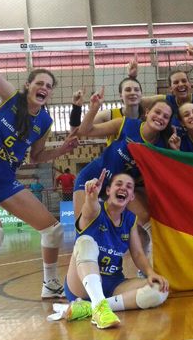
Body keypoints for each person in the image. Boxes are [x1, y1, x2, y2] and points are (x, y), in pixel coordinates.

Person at [0, 0, 80, 321]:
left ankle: (50, 284)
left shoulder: (46, 122)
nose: (44, 88)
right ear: (27, 86)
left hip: (5, 179)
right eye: (39, 83)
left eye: (49, 86)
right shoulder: (11, 99)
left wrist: (61, 151)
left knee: (52, 230)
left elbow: (37, 157)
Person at [74, 88, 174, 276]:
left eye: (166, 116)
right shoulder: (126, 125)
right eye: (157, 112)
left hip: (123, 188)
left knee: (145, 220)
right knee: (85, 233)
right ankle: (81, 281)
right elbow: (85, 131)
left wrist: (174, 151)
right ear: (147, 113)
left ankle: (145, 271)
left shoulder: (163, 145)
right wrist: (94, 109)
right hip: (94, 179)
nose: (160, 117)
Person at [64, 170, 169, 329]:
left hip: (113, 283)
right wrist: (91, 197)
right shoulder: (95, 210)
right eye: (118, 184)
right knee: (84, 241)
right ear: (108, 191)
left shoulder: (130, 220)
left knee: (158, 290)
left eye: (129, 186)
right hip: (80, 286)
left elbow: (138, 253)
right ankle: (97, 305)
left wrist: (151, 273)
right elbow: (89, 209)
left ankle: (92, 307)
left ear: (132, 196)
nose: (123, 188)